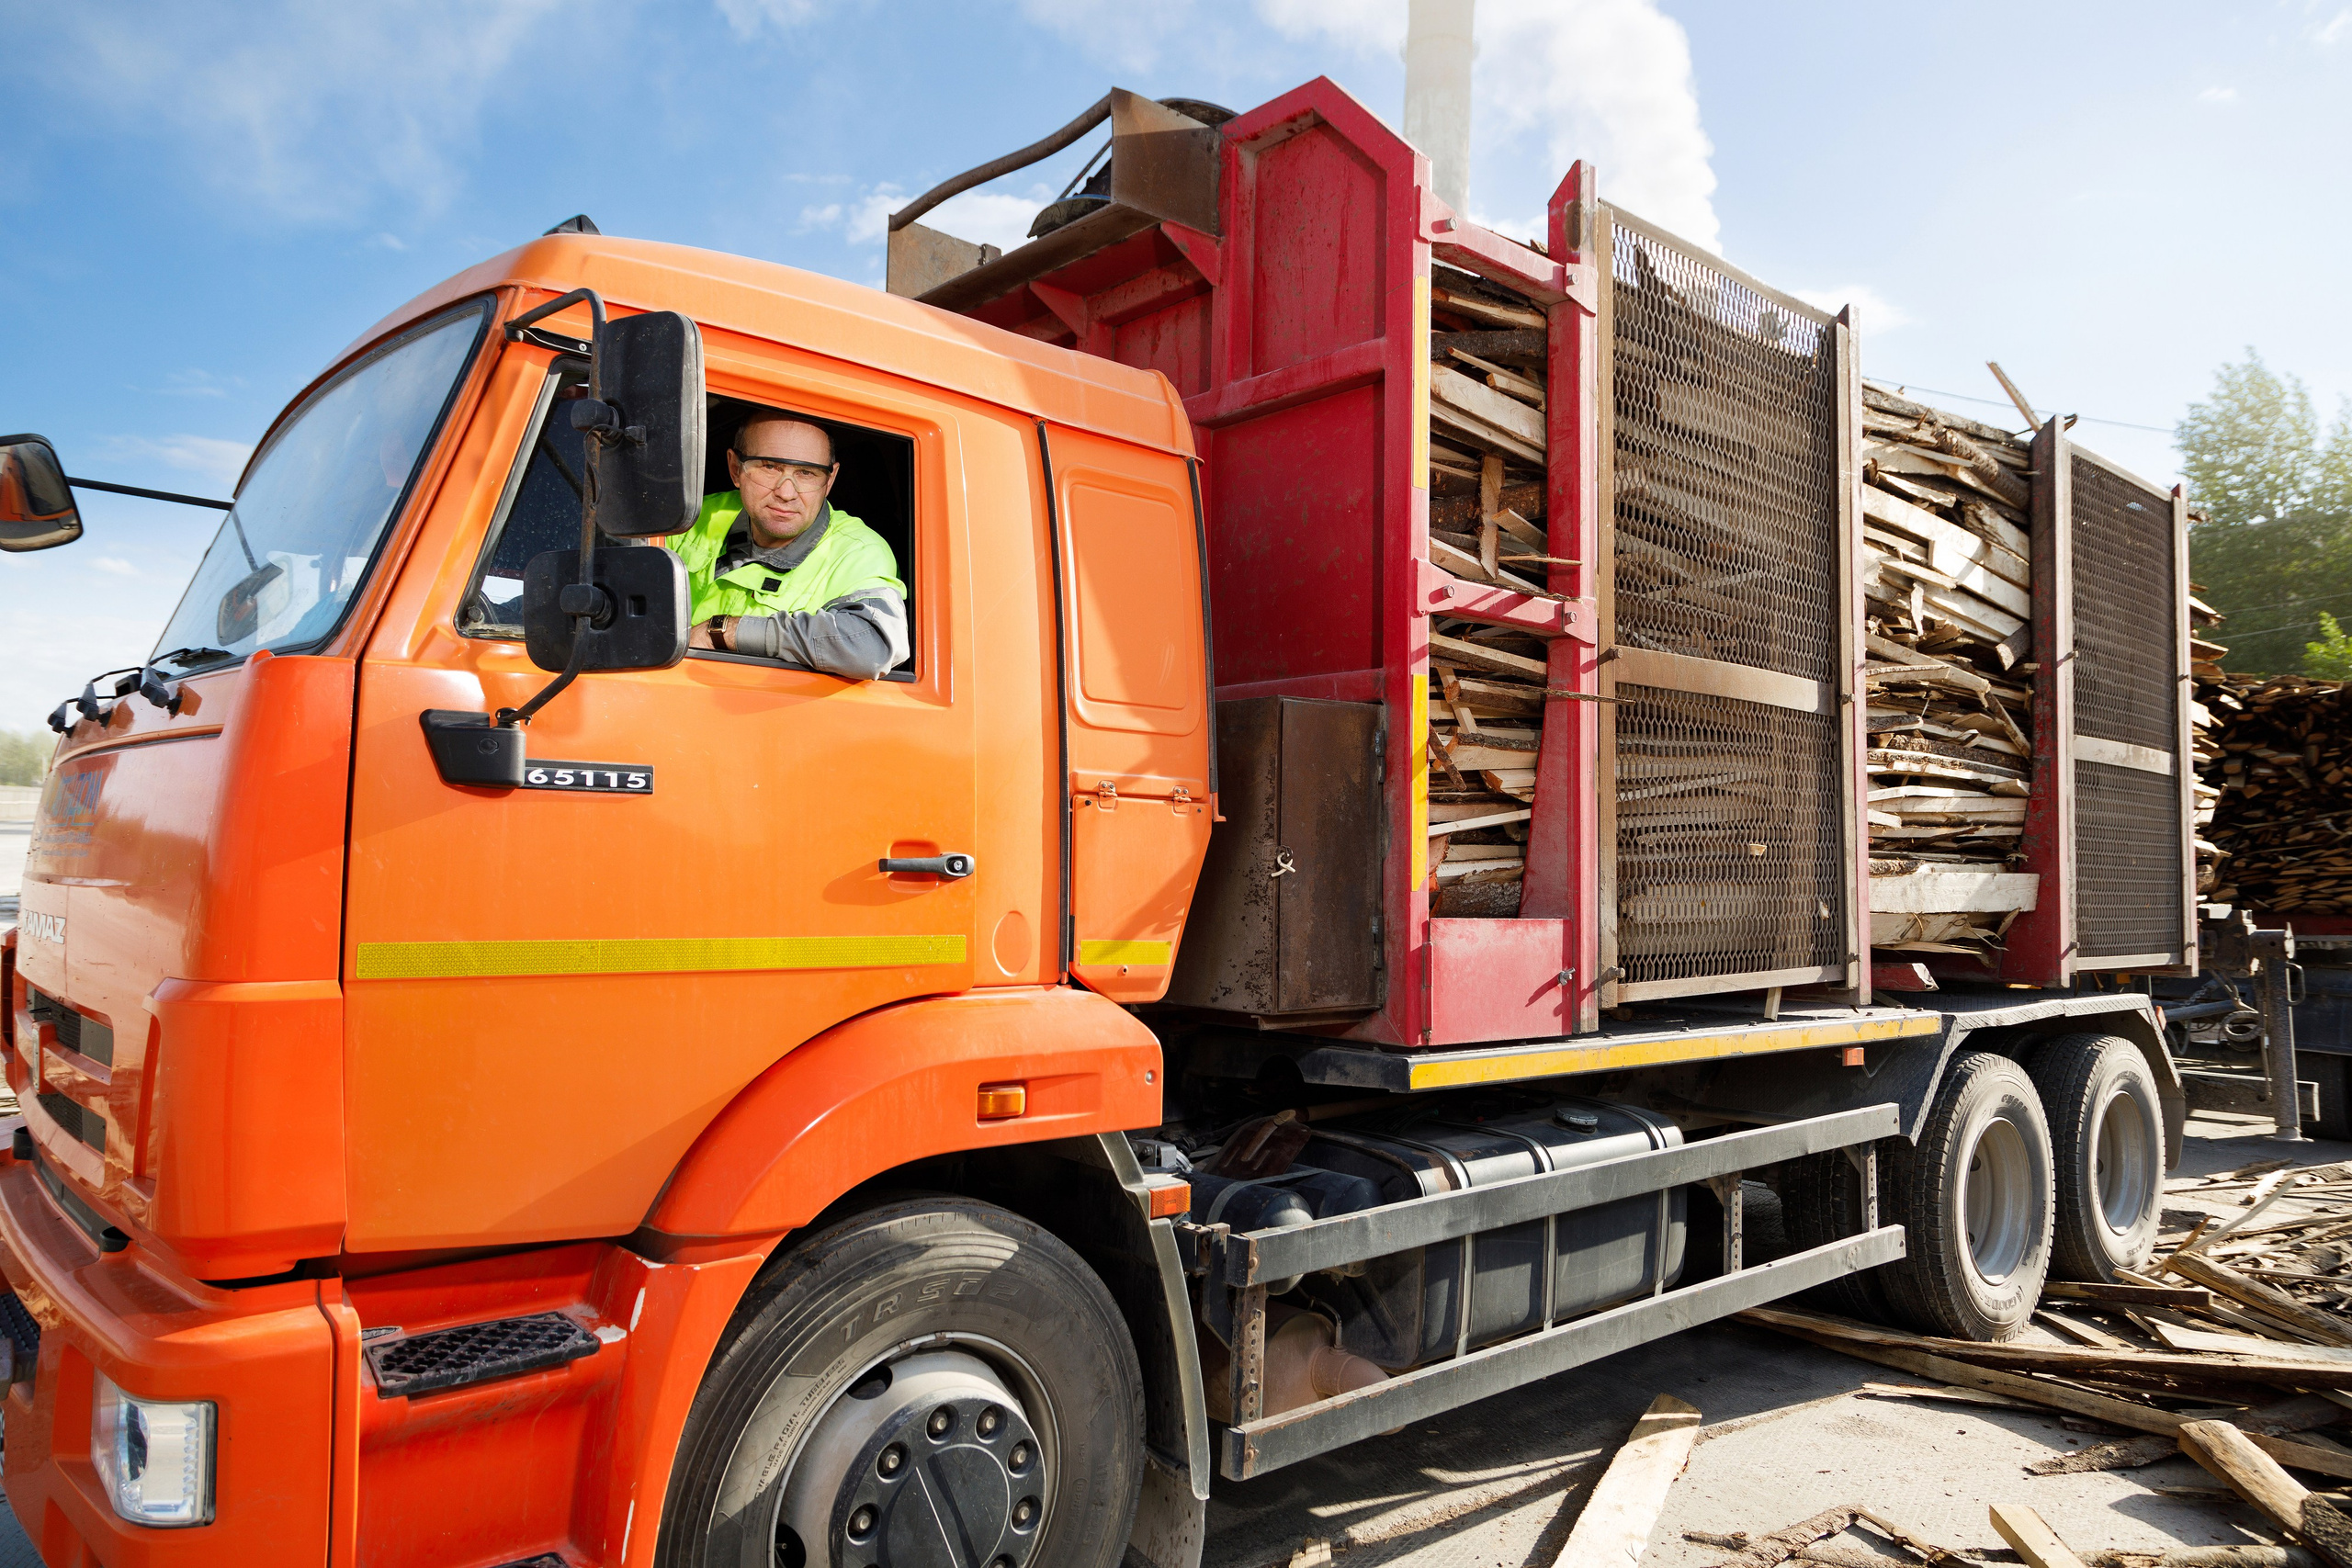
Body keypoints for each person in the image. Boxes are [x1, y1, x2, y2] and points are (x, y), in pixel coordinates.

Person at [667, 413, 908, 680]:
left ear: (829, 480)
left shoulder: (859, 551)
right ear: (735, 468)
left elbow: (871, 647)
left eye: (806, 473)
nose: (786, 492)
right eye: (770, 467)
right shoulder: (692, 517)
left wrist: (723, 632)